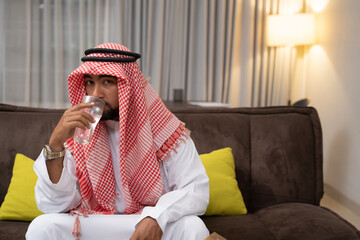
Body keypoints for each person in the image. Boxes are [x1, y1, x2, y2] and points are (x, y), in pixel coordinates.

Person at [26, 43, 210, 240]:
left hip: (147, 221)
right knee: (42, 226)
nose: (95, 93)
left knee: (193, 227)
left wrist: (157, 217)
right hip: (98, 222)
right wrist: (55, 144)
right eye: (89, 82)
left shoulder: (166, 132)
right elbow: (53, 206)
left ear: (129, 86)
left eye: (107, 82)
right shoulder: (79, 133)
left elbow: (195, 190)